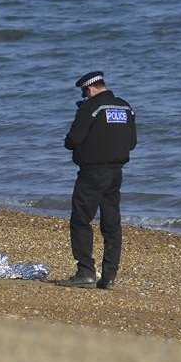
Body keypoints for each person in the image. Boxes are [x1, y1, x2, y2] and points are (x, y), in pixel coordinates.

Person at [58, 71, 137, 289]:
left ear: (90, 89)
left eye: (85, 92)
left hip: (92, 172)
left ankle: (86, 272)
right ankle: (109, 277)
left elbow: (73, 139)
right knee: (111, 224)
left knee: (81, 221)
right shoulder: (125, 107)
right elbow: (132, 142)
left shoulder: (90, 107)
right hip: (115, 173)